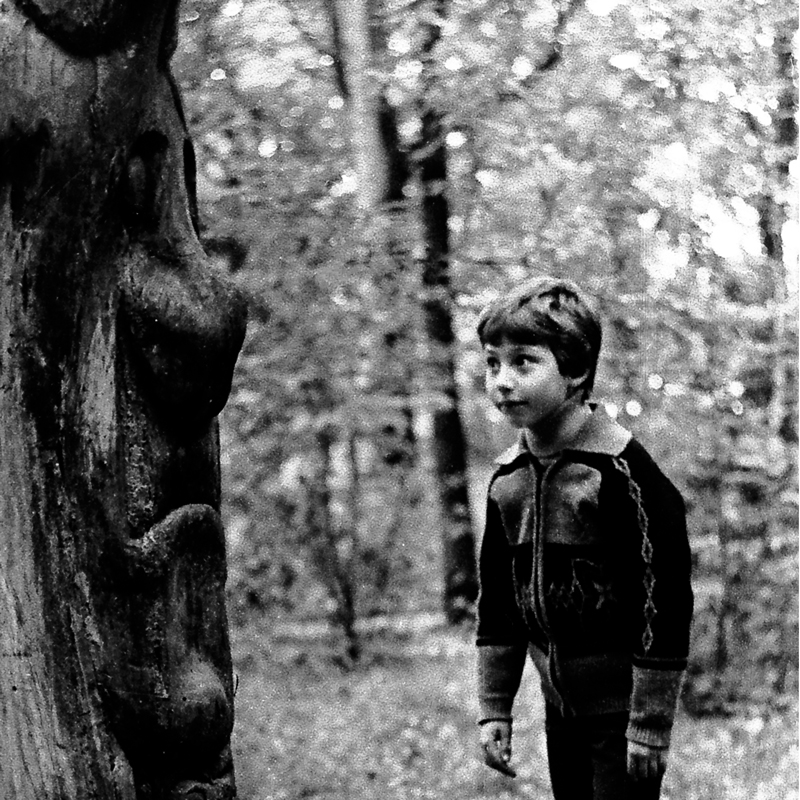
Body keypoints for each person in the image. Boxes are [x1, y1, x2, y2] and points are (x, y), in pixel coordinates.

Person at [475, 276, 693, 799]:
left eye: (524, 362)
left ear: (574, 370)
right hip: (561, 709)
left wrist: (650, 721)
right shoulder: (508, 481)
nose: (502, 380)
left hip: (624, 712)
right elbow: (499, 604)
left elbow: (663, 599)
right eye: (492, 363)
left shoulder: (620, 474)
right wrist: (494, 709)